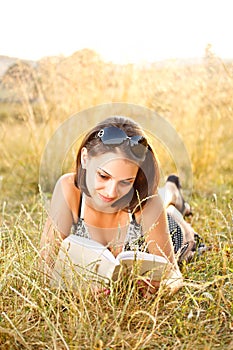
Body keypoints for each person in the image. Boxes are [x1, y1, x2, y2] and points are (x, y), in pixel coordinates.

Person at [40, 115, 199, 296]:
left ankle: (173, 194)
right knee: (160, 199)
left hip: (165, 227)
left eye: (126, 182)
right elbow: (45, 267)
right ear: (85, 158)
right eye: (103, 176)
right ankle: (171, 189)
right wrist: (77, 291)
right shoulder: (69, 188)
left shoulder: (147, 201)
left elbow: (174, 275)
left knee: (169, 211)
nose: (111, 192)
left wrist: (163, 288)